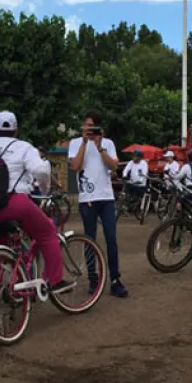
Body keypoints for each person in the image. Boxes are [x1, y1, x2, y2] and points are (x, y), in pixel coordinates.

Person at [0, 111, 72, 293]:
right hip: (14, 202)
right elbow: (41, 171)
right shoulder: (24, 147)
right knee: (47, 232)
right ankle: (55, 281)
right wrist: (45, 190)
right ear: (16, 130)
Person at [69, 110, 128, 298]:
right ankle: (93, 280)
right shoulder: (76, 143)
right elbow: (75, 166)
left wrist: (100, 146)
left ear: (99, 128)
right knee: (90, 239)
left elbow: (113, 166)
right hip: (88, 198)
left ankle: (115, 280)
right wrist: (85, 143)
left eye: (91, 126)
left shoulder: (107, 143)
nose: (88, 129)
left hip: (106, 197)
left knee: (111, 238)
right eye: (86, 125)